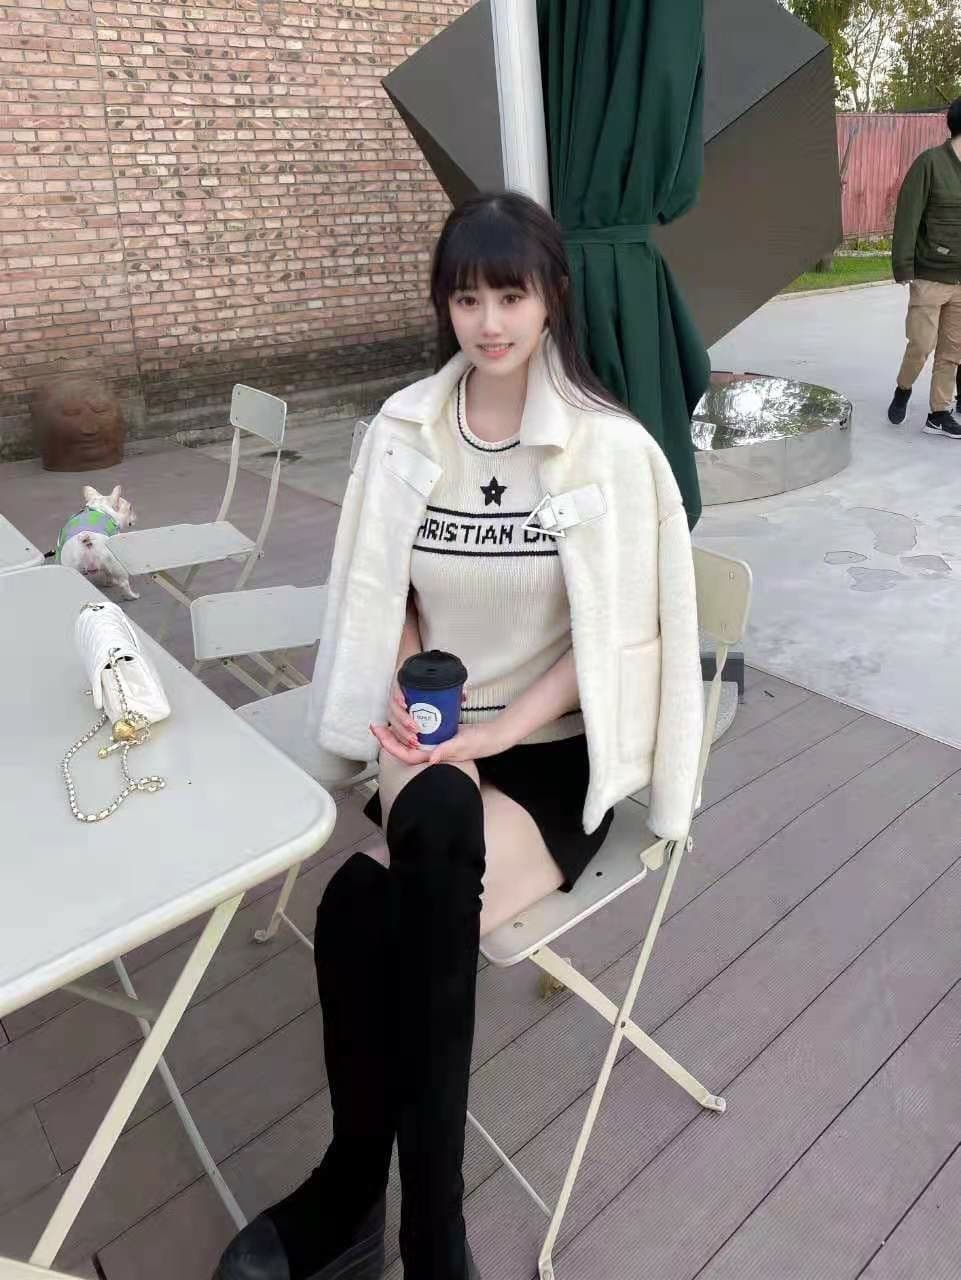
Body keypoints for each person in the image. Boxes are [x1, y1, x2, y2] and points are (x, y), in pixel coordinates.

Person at [213, 192, 703, 1280]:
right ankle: (431, 1236)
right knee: (413, 839)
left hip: (549, 747)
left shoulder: (608, 449)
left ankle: (359, 1195)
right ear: (444, 304)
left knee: (362, 906)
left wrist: (495, 736)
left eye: (509, 296)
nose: (488, 322)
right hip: (431, 733)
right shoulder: (407, 433)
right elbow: (387, 587)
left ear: (551, 299)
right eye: (466, 297)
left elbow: (613, 632)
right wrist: (406, 683)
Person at [888, 97, 961, 439]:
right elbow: (908, 216)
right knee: (921, 344)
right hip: (930, 275)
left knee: (952, 351)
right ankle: (903, 389)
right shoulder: (930, 163)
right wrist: (904, 266)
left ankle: (939, 413)